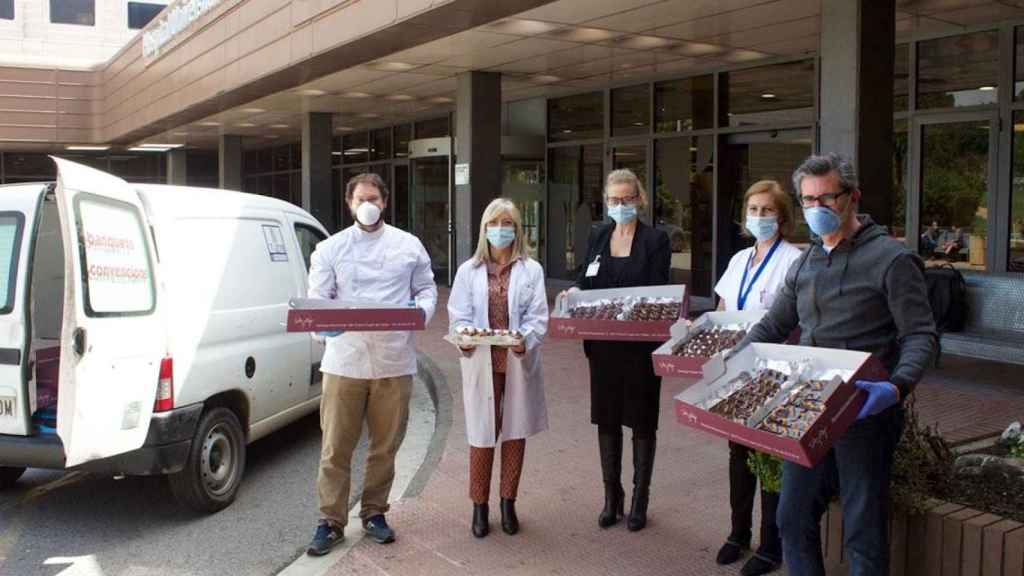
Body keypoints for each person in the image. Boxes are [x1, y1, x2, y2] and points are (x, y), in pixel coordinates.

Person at [737, 154, 936, 576]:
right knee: (791, 516)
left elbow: (920, 335)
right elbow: (775, 323)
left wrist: (897, 387)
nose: (816, 209)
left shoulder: (891, 260)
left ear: (852, 197)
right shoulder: (805, 262)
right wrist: (737, 356)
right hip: (807, 407)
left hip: (865, 411)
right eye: (808, 201)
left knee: (862, 528)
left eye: (826, 198)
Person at [305, 172, 438, 555]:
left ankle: (375, 513)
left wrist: (421, 312)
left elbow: (426, 288)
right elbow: (318, 300)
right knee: (335, 447)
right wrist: (322, 330)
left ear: (385, 202)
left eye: (374, 198)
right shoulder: (330, 249)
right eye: (360, 198)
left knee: (385, 446)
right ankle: (330, 521)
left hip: (394, 361)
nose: (368, 204)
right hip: (344, 361)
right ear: (349, 204)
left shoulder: (408, 246)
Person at [561, 168, 671, 532]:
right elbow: (584, 279)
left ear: (639, 199)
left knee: (641, 419)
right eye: (613, 200)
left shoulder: (656, 240)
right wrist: (574, 293)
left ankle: (641, 499)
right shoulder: (598, 235)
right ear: (606, 201)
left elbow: (657, 294)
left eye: (627, 199)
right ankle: (613, 497)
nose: (620, 205)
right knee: (606, 418)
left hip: (640, 348)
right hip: (603, 345)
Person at [713, 180, 804, 576]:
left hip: (776, 372)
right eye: (753, 210)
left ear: (782, 218)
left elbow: (798, 320)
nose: (759, 217)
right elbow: (721, 309)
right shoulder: (737, 260)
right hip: (737, 371)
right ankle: (737, 533)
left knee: (769, 458)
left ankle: (770, 545)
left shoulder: (795, 260)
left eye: (767, 211)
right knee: (739, 454)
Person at [448, 198, 550, 539]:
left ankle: (508, 502)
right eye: (495, 223)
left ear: (518, 230)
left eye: (508, 223)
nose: (501, 229)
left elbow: (538, 317)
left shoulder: (531, 270)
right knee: (481, 434)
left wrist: (526, 341)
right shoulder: (468, 270)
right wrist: (463, 337)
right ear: (484, 229)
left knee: (515, 432)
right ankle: (480, 505)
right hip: (482, 362)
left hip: (517, 361)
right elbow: (459, 315)